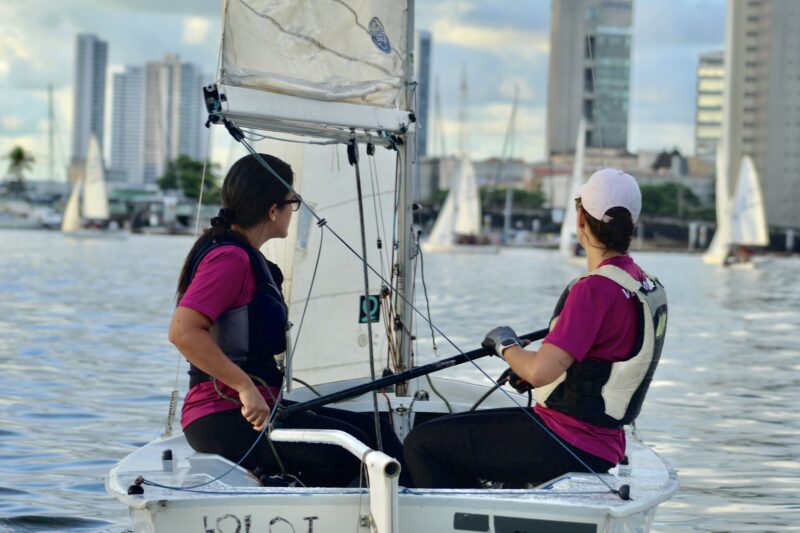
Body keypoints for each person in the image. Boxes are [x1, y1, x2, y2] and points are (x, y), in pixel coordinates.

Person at [403, 168, 668, 488]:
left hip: (568, 440)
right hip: (603, 443)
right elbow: (599, 362)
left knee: (422, 443)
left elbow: (540, 372)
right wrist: (525, 369)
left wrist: (505, 344)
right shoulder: (641, 284)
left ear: (580, 220)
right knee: (454, 440)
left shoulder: (594, 290)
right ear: (633, 225)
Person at [169, 153, 400, 487]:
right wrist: (245, 387)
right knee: (353, 449)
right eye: (293, 202)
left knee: (377, 433)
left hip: (253, 408)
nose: (295, 210)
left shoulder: (244, 256)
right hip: (222, 415)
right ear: (273, 210)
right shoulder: (230, 258)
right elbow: (183, 332)